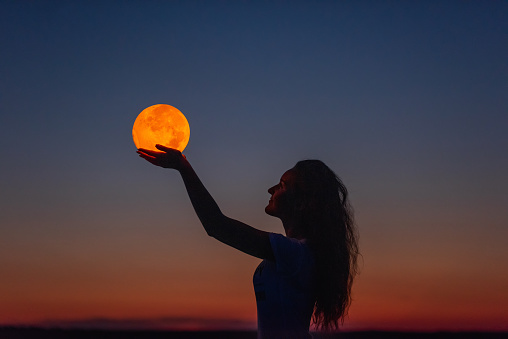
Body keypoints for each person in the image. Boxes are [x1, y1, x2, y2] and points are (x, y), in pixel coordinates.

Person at [137, 145, 360, 338]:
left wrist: (183, 167)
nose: (271, 189)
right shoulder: (294, 253)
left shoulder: (297, 254)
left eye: (282, 185)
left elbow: (216, 226)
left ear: (303, 202)